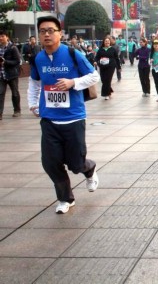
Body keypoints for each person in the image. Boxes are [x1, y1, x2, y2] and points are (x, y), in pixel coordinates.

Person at [27, 15, 100, 214]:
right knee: (50, 162)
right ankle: (65, 199)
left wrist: (72, 83)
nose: (47, 34)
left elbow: (94, 76)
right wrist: (33, 104)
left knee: (76, 163)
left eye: (51, 30)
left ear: (60, 34)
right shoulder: (37, 58)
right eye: (43, 31)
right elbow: (34, 84)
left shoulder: (72, 53)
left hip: (74, 117)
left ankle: (89, 168)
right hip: (49, 118)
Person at [0, 30, 22, 120]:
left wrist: (5, 62)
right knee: (0, 93)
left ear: (7, 37)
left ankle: (17, 110)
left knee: (15, 93)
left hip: (12, 74)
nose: (0, 38)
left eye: (2, 36)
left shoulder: (12, 47)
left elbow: (17, 61)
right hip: (1, 75)